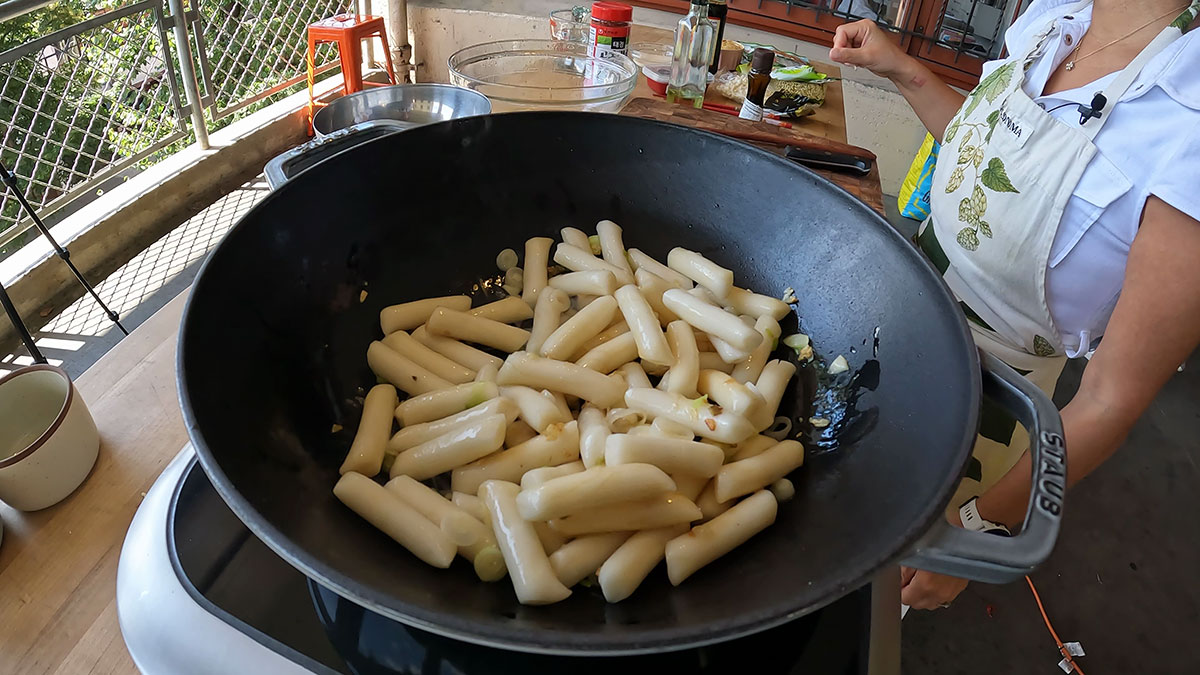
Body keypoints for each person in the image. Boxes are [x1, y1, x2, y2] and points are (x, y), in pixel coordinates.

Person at [829, 0, 1200, 610]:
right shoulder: (1056, 15)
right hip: (884, 316)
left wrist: (979, 529)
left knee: (847, 595)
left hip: (981, 408)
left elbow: (1110, 400)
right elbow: (991, 165)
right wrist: (903, 69)